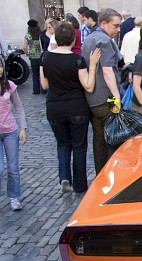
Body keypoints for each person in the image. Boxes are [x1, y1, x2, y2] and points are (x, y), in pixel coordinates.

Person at [40, 23, 101, 194]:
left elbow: (44, 84)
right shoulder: (77, 60)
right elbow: (88, 86)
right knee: (79, 147)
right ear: (74, 40)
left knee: (62, 144)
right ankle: (80, 185)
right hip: (76, 107)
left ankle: (64, 177)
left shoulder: (45, 57)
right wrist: (93, 65)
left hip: (54, 108)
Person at [81, 8, 122, 175]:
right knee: (113, 139)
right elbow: (107, 71)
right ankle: (112, 175)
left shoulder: (89, 38)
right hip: (105, 99)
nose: (118, 29)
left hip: (91, 99)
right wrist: (117, 96)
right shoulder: (104, 41)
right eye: (116, 26)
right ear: (104, 23)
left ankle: (101, 176)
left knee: (98, 141)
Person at [0, 57, 27, 211]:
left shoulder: (9, 85)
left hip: (10, 131)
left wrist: (22, 127)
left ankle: (14, 197)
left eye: (0, 67)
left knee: (13, 167)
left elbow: (19, 108)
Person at [23, 20, 43, 95]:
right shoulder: (40, 34)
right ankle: (43, 89)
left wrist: (27, 53)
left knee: (35, 74)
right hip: (41, 56)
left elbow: (25, 47)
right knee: (42, 73)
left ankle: (36, 90)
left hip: (33, 56)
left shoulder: (28, 35)